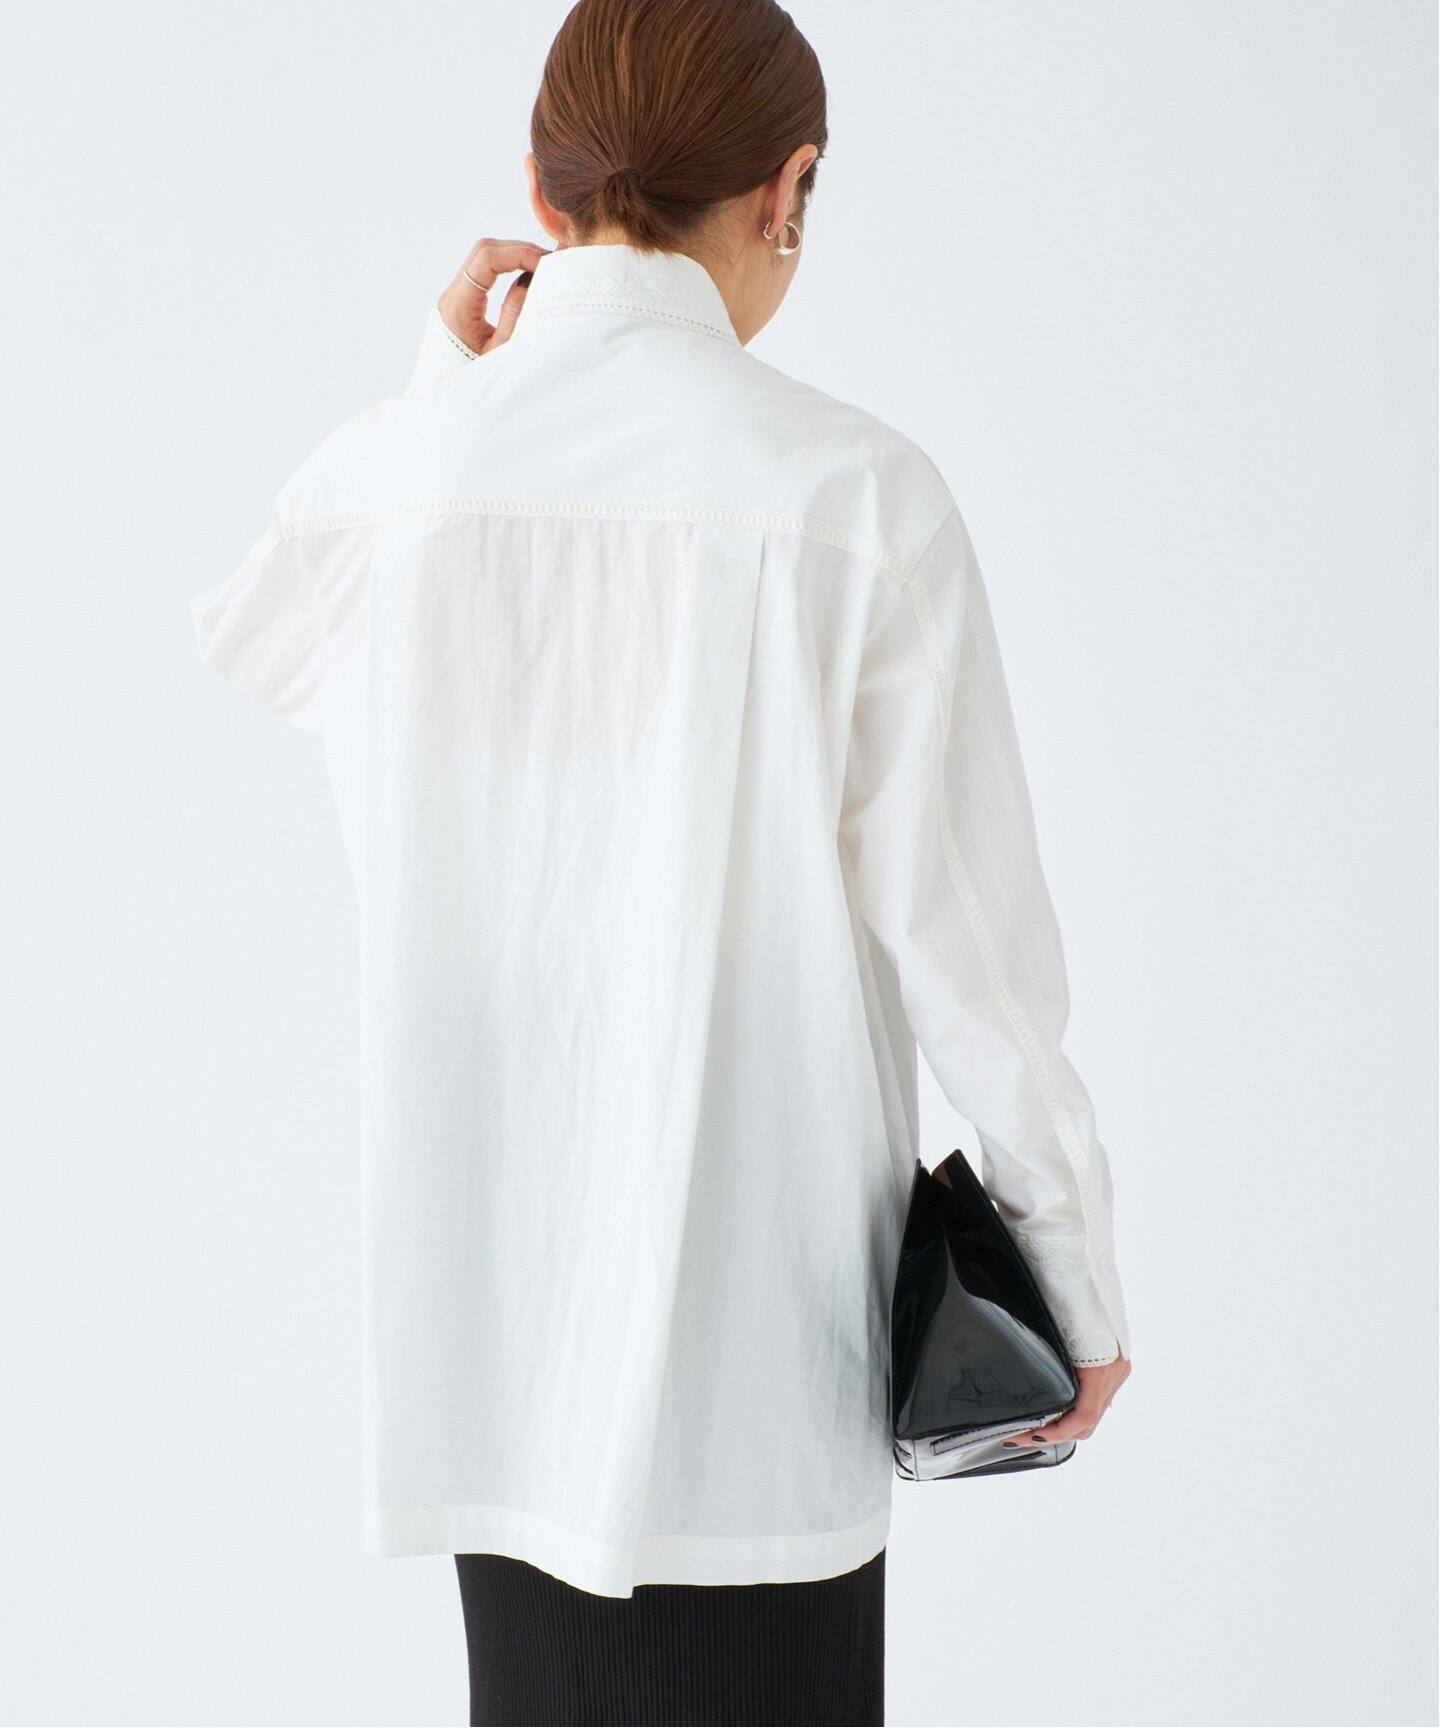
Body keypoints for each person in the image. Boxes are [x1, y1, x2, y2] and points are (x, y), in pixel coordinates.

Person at [190, 0, 1132, 1721]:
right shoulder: (856, 498)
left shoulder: (401, 479)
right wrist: (1067, 1265)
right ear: (788, 189)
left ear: (540, 195)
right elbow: (970, 946)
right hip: (760, 1370)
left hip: (493, 1362)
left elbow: (265, 638)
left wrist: (443, 390)